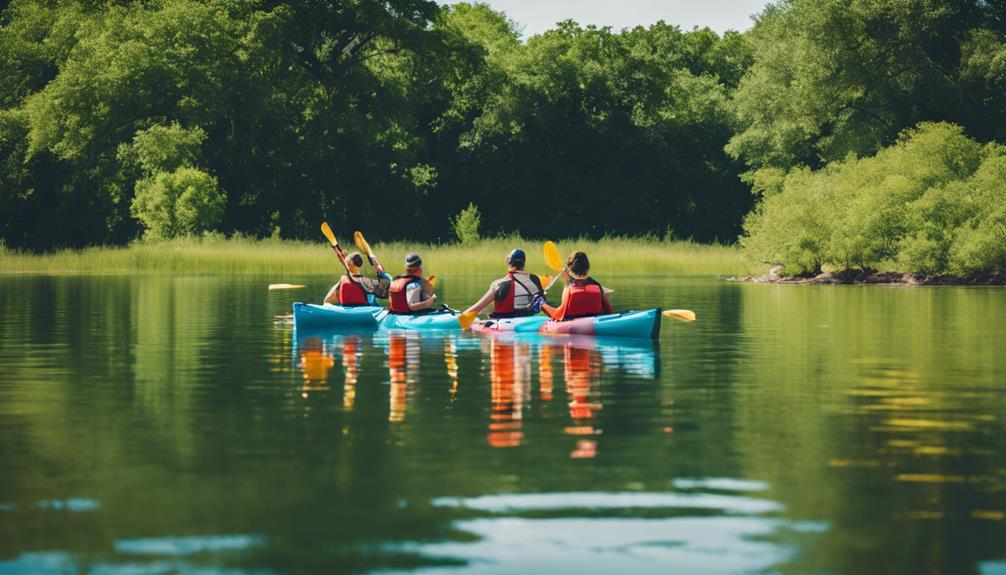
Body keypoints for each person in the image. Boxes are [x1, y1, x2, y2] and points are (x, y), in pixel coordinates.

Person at [463, 249, 546, 319]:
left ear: (508, 262)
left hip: (504, 323)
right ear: (524, 263)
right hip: (529, 320)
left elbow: (476, 309)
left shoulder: (498, 284)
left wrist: (461, 315)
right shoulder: (535, 279)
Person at [541, 251, 613, 321]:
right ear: (587, 267)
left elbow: (558, 315)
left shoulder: (569, 289)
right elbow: (608, 310)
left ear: (570, 268)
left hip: (574, 326)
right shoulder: (597, 286)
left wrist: (542, 304)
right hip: (596, 323)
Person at [323, 252, 388, 306]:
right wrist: (381, 271)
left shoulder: (343, 279)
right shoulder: (366, 281)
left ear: (349, 264)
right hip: (364, 311)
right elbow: (384, 290)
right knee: (371, 295)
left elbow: (326, 300)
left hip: (345, 309)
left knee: (327, 302)